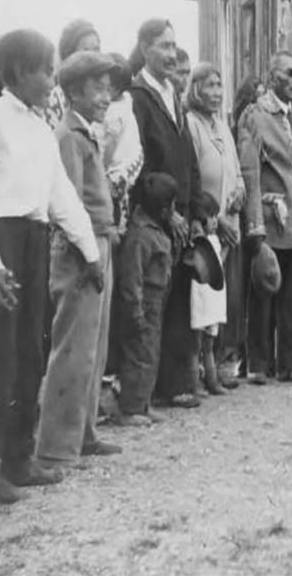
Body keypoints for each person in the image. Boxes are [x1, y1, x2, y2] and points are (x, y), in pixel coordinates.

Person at [0, 30, 103, 502]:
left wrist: (90, 253)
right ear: (17, 72)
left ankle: (19, 457)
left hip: (34, 240)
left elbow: (62, 196)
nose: (53, 80)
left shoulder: (39, 128)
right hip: (1, 243)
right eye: (46, 71)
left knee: (30, 353)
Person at [35, 51, 122, 468]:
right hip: (79, 250)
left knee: (93, 347)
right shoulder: (69, 136)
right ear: (72, 92)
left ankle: (83, 434)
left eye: (108, 88)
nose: (106, 96)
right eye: (97, 88)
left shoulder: (87, 132)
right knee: (73, 346)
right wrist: (89, 252)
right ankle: (57, 444)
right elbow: (68, 202)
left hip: (99, 243)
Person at [129, 18, 202, 408]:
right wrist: (165, 210)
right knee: (154, 302)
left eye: (174, 46)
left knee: (179, 303)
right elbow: (140, 163)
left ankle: (175, 384)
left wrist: (194, 210)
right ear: (144, 49)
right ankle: (148, 388)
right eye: (163, 46)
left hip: (182, 216)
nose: (172, 54)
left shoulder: (174, 95)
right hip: (155, 217)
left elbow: (187, 156)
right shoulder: (138, 97)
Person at [239, 50, 292, 384]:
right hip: (272, 221)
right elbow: (250, 172)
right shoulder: (255, 116)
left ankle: (289, 362)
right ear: (273, 77)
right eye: (289, 74)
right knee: (264, 291)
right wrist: (255, 226)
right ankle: (257, 364)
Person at [184, 63, 245, 377]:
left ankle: (220, 363)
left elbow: (236, 171)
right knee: (202, 298)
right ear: (195, 89)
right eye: (209, 85)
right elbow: (193, 177)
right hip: (206, 225)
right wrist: (215, 218)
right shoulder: (191, 124)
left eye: (219, 85)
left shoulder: (222, 126)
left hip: (229, 225)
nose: (216, 92)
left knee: (225, 299)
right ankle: (198, 367)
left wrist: (239, 192)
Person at [114, 173, 178, 426]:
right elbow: (132, 277)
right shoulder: (140, 235)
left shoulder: (156, 230)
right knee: (138, 355)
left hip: (157, 302)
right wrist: (135, 311)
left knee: (150, 353)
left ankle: (143, 402)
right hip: (143, 304)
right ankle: (129, 407)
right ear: (163, 210)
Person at [97, 52, 144, 234]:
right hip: (132, 161)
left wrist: (102, 167)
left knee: (115, 211)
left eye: (106, 87)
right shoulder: (127, 100)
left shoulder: (114, 113)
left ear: (115, 89)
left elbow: (109, 145)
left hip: (118, 168)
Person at [188, 192, 228, 395]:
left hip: (213, 298)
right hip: (201, 298)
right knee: (195, 346)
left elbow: (217, 262)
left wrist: (226, 249)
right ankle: (194, 384)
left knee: (209, 344)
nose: (214, 221)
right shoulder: (197, 242)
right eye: (210, 216)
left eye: (215, 216)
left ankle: (212, 381)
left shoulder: (214, 240)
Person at [45, 19, 101, 130]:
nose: (93, 56)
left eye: (96, 50)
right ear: (69, 54)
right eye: (85, 50)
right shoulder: (56, 98)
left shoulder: (104, 93)